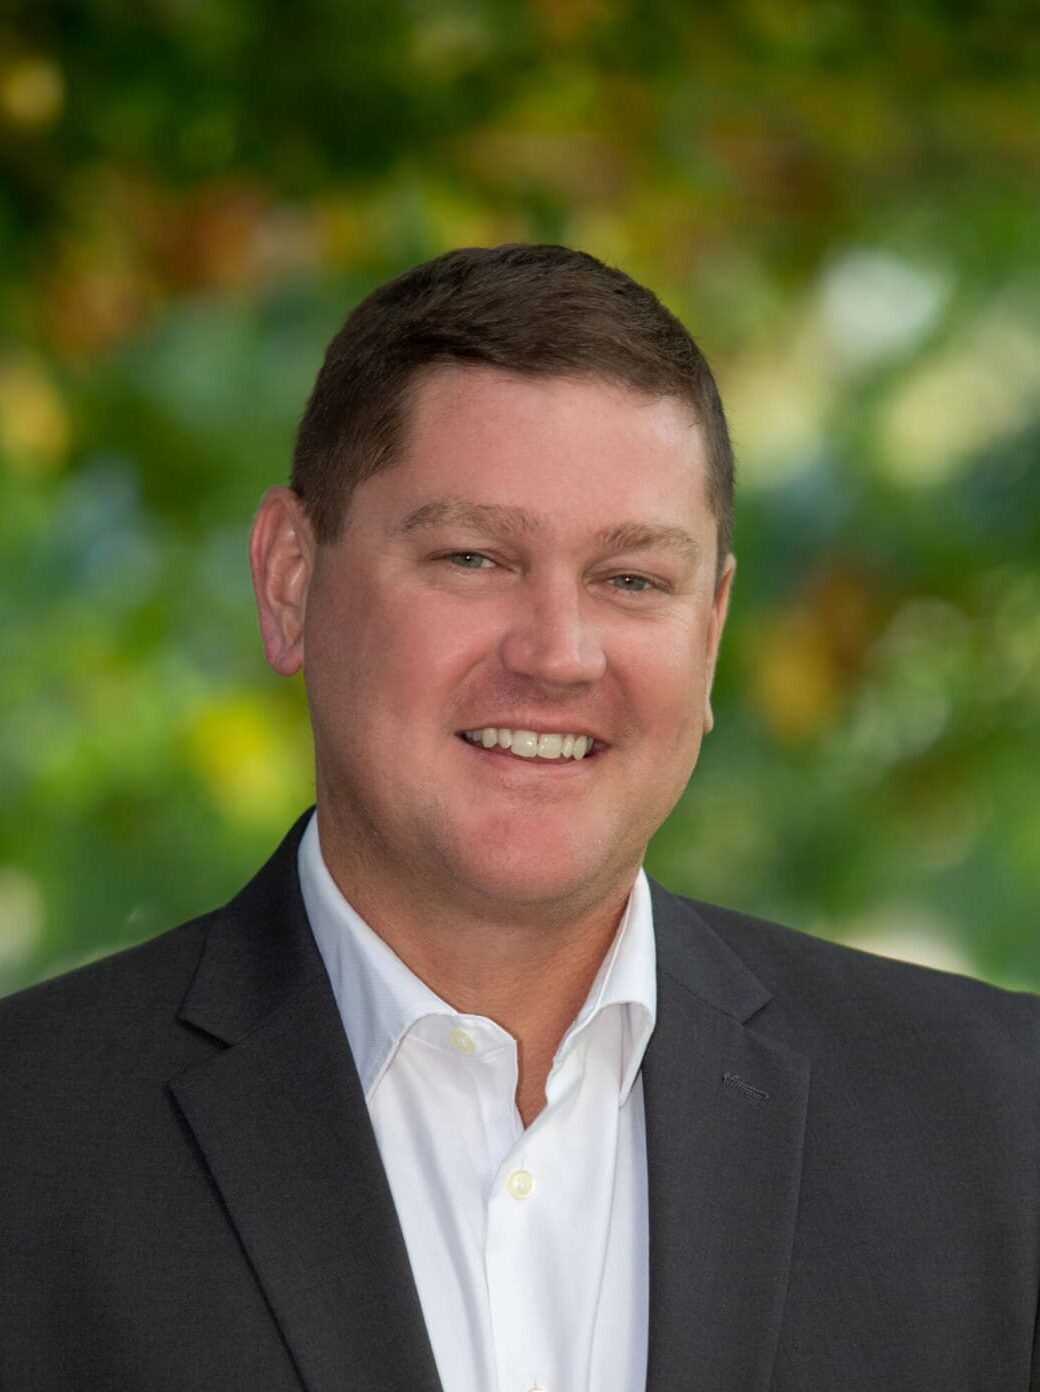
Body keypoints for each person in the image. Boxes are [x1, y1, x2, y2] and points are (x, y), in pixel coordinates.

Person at [1, 244, 1038, 1392]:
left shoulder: (1001, 1126)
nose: (556, 653)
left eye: (631, 579)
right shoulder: (27, 1138)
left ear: (710, 630)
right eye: (473, 557)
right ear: (290, 579)